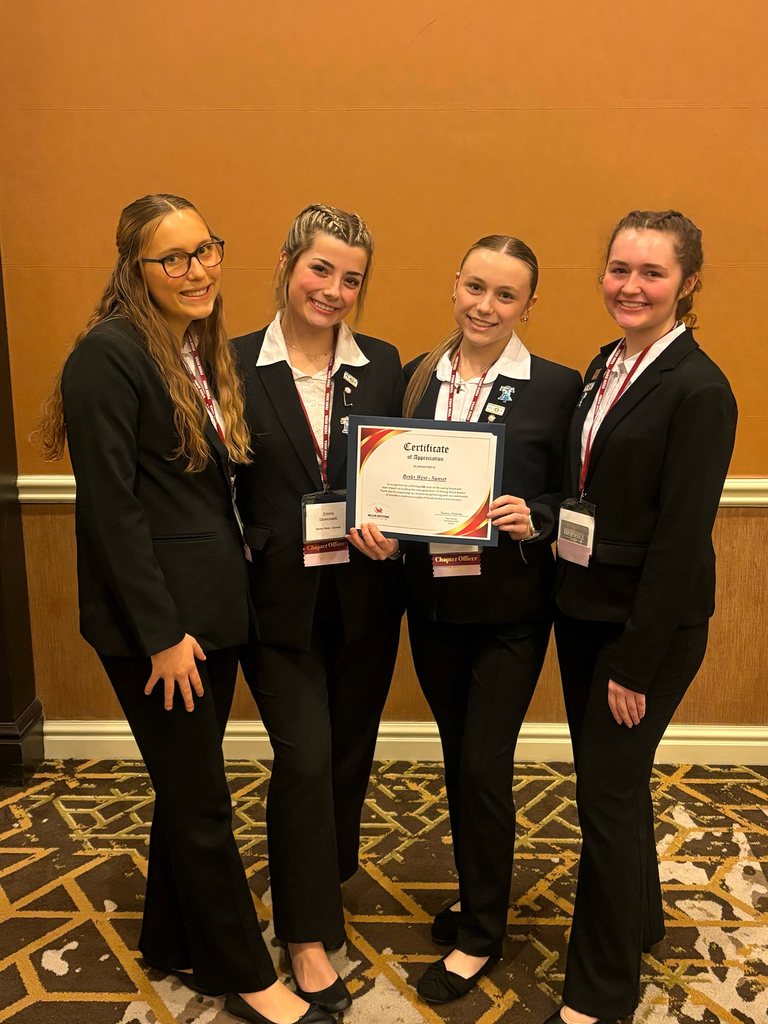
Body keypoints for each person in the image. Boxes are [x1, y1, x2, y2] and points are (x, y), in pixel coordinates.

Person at [38, 194, 333, 1024]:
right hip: (161, 627)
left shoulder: (188, 347)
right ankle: (248, 976)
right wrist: (163, 635)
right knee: (203, 801)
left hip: (210, 611)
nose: (197, 269)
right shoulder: (109, 355)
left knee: (184, 785)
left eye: (206, 250)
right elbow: (113, 510)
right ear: (136, 269)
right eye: (174, 259)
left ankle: (173, 940)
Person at [381, 235, 582, 1003]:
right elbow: (394, 481)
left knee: (482, 763)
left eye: (506, 295)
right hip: (431, 608)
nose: (486, 306)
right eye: (475, 287)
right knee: (456, 753)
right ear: (453, 285)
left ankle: (482, 935)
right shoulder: (415, 379)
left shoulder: (559, 388)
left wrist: (536, 515)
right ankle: (476, 893)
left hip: (511, 615)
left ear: (530, 304)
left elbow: (578, 500)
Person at [548, 211, 737, 1024]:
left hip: (644, 628)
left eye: (651, 274)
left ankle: (600, 993)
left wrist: (633, 661)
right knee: (610, 784)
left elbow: (678, 541)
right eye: (619, 268)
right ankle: (641, 923)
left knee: (607, 797)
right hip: (585, 607)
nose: (630, 286)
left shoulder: (700, 389)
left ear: (687, 284)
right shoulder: (607, 364)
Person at [233, 204, 405, 1015]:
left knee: (346, 758)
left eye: (351, 278)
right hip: (276, 604)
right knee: (303, 758)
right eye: (320, 269)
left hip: (366, 599)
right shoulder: (229, 364)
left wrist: (395, 535)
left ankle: (322, 875)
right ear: (286, 262)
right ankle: (304, 934)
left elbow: (401, 481)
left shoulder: (383, 366)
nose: (333, 290)